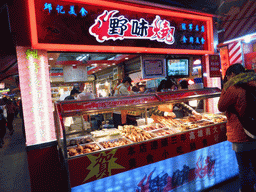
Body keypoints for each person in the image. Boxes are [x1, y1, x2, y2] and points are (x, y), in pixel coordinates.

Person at [218, 63, 256, 192]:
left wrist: (225, 88)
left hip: (241, 132)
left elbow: (220, 106)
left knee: (244, 166)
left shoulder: (233, 88)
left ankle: (246, 190)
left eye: (228, 76)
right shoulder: (253, 83)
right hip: (254, 129)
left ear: (232, 75)